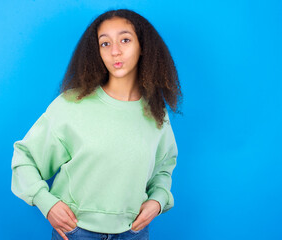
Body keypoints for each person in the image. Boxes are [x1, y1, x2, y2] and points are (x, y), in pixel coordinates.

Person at [11, 8, 182, 240]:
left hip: (134, 232)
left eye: (125, 40)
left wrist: (158, 200)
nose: (115, 51)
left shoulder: (156, 111)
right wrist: (46, 202)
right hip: (77, 232)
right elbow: (25, 158)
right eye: (105, 43)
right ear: (96, 52)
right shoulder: (72, 104)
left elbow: (164, 166)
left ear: (143, 47)